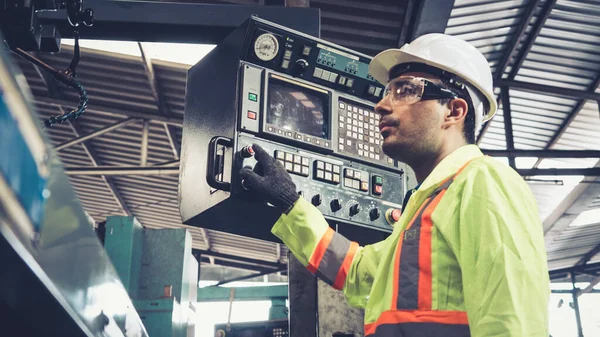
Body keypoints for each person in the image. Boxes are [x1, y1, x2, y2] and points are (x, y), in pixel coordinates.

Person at [239, 33, 549, 337]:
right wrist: (290, 204)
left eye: (404, 90)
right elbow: (356, 272)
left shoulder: (483, 182)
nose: (381, 105)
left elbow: (513, 324)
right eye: (388, 91)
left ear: (453, 111)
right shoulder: (422, 208)